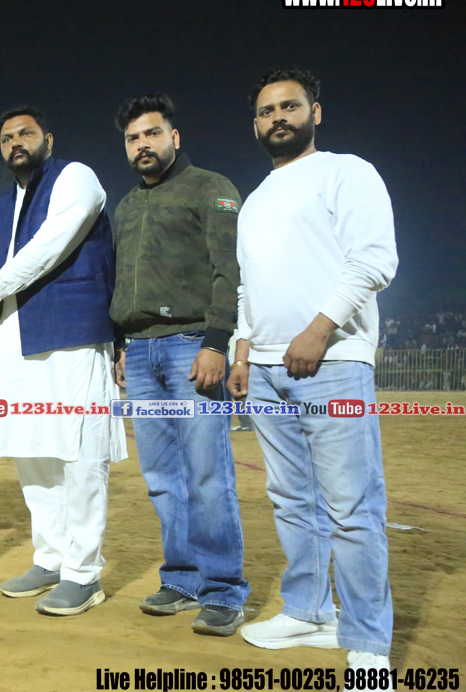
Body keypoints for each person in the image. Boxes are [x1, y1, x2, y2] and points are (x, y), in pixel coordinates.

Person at [228, 68, 397, 671]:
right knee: (292, 501)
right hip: (266, 370)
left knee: (352, 509)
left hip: (333, 363)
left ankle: (368, 645)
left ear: (314, 113)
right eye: (266, 110)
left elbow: (374, 261)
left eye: (290, 106)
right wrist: (243, 351)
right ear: (255, 125)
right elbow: (248, 287)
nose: (278, 117)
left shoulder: (347, 172)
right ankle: (309, 611)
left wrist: (318, 330)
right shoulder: (254, 202)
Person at [0, 107, 126, 616]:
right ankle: (50, 558)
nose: (15, 143)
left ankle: (83, 573)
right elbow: (15, 263)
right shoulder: (4, 202)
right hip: (18, 338)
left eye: (25, 134)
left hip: (73, 333)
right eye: (6, 138)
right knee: (33, 451)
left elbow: (51, 247)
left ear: (48, 138)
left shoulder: (77, 177)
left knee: (80, 455)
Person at [110, 93, 249, 636]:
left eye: (151, 133)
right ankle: (183, 578)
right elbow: (121, 281)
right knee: (162, 476)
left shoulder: (210, 187)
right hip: (141, 351)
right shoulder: (127, 206)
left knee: (207, 474)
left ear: (174, 137)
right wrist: (121, 345)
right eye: (132, 138)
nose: (142, 145)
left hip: (192, 345)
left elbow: (228, 269)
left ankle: (224, 590)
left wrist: (216, 342)